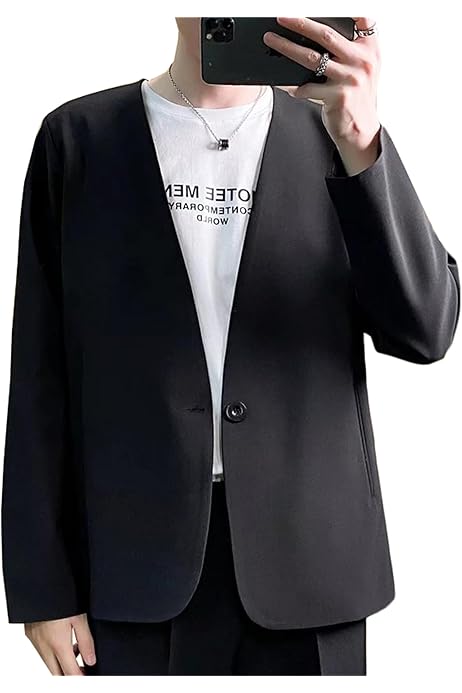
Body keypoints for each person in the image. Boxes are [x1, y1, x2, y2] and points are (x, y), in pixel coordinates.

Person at [1, 16, 460, 676]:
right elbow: (38, 375)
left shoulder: (334, 135)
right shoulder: (78, 140)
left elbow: (427, 330)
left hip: (311, 569)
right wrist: (42, 584)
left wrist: (364, 144)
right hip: (130, 569)